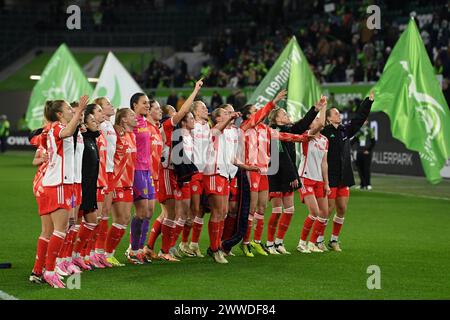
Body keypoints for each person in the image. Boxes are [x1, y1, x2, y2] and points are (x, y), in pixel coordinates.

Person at [34, 96, 88, 288]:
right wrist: (80, 109)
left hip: (60, 183)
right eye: (68, 108)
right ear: (59, 114)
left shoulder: (59, 128)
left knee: (52, 231)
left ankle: (40, 270)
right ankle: (50, 272)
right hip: (58, 184)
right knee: (60, 230)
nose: (71, 111)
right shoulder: (57, 127)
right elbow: (66, 132)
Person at [265, 98, 324, 254]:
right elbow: (281, 157)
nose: (287, 115)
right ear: (277, 119)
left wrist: (316, 109)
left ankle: (279, 242)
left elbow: (303, 124)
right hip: (276, 174)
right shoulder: (275, 132)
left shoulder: (289, 129)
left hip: (288, 173)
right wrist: (293, 176)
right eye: (284, 114)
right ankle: (269, 243)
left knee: (289, 210)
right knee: (277, 211)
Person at [321, 91, 374, 252]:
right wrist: (322, 106)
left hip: (344, 175)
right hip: (330, 176)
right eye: (336, 113)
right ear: (329, 118)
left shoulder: (345, 130)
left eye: (339, 113)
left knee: (342, 208)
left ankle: (334, 240)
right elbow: (316, 124)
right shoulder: (324, 132)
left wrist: (368, 102)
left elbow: (358, 120)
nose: (339, 115)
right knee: (327, 210)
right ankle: (318, 240)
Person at [157, 79, 203, 261]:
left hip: (173, 172)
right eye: (174, 113)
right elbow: (184, 110)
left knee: (172, 214)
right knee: (170, 214)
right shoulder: (168, 125)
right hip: (167, 172)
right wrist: (195, 91)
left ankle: (163, 249)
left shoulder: (177, 131)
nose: (178, 115)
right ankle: (163, 250)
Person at [296, 97, 331, 253]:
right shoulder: (307, 136)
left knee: (324, 212)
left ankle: (312, 243)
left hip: (318, 180)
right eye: (315, 120)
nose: (318, 122)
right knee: (314, 212)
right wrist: (323, 107)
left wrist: (327, 183)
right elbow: (323, 123)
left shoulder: (324, 140)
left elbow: (324, 163)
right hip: (305, 177)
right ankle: (302, 242)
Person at [104, 108, 137, 265]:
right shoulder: (116, 134)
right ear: (123, 119)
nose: (135, 117)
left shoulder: (131, 136)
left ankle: (108, 253)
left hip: (128, 182)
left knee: (125, 219)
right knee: (119, 218)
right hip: (117, 182)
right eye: (131, 115)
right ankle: (104, 253)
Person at [126, 92, 156, 265]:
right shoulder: (132, 122)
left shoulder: (145, 121)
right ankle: (134, 250)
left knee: (150, 211)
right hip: (136, 170)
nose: (147, 105)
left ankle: (140, 249)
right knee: (141, 211)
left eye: (148, 103)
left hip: (147, 171)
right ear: (134, 105)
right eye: (144, 103)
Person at [70, 109, 101, 269]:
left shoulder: (91, 139)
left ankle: (77, 255)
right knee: (74, 223)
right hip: (80, 186)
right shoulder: (81, 138)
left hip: (89, 187)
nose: (96, 123)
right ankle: (66, 258)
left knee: (90, 221)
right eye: (93, 121)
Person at [93, 97, 117, 267]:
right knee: (97, 215)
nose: (111, 105)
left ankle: (100, 253)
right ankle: (91, 253)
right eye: (107, 104)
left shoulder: (109, 125)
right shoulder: (99, 126)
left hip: (110, 172)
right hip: (101, 173)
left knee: (105, 213)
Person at [187, 100, 211, 257]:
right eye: (203, 108)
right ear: (195, 112)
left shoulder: (207, 126)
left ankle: (194, 244)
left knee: (202, 209)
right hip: (194, 172)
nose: (206, 109)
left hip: (206, 172)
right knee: (193, 210)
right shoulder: (191, 127)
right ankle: (183, 243)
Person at [352, 120, 376, 190]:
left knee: (366, 169)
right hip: (359, 152)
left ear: (367, 122)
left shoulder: (369, 131)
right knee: (360, 169)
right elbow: (353, 141)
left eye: (364, 121)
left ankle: (368, 184)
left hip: (366, 153)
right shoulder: (359, 131)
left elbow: (373, 142)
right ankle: (362, 184)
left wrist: (368, 150)